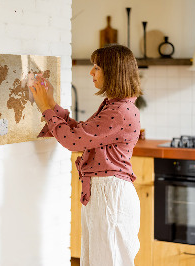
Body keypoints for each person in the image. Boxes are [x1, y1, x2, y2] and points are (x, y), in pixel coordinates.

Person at [30, 44, 142, 266]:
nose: (91, 72)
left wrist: (45, 108)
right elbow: (81, 133)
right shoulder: (115, 106)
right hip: (105, 193)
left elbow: (73, 141)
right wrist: (51, 103)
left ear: (113, 72)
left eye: (97, 67)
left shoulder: (119, 111)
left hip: (110, 195)